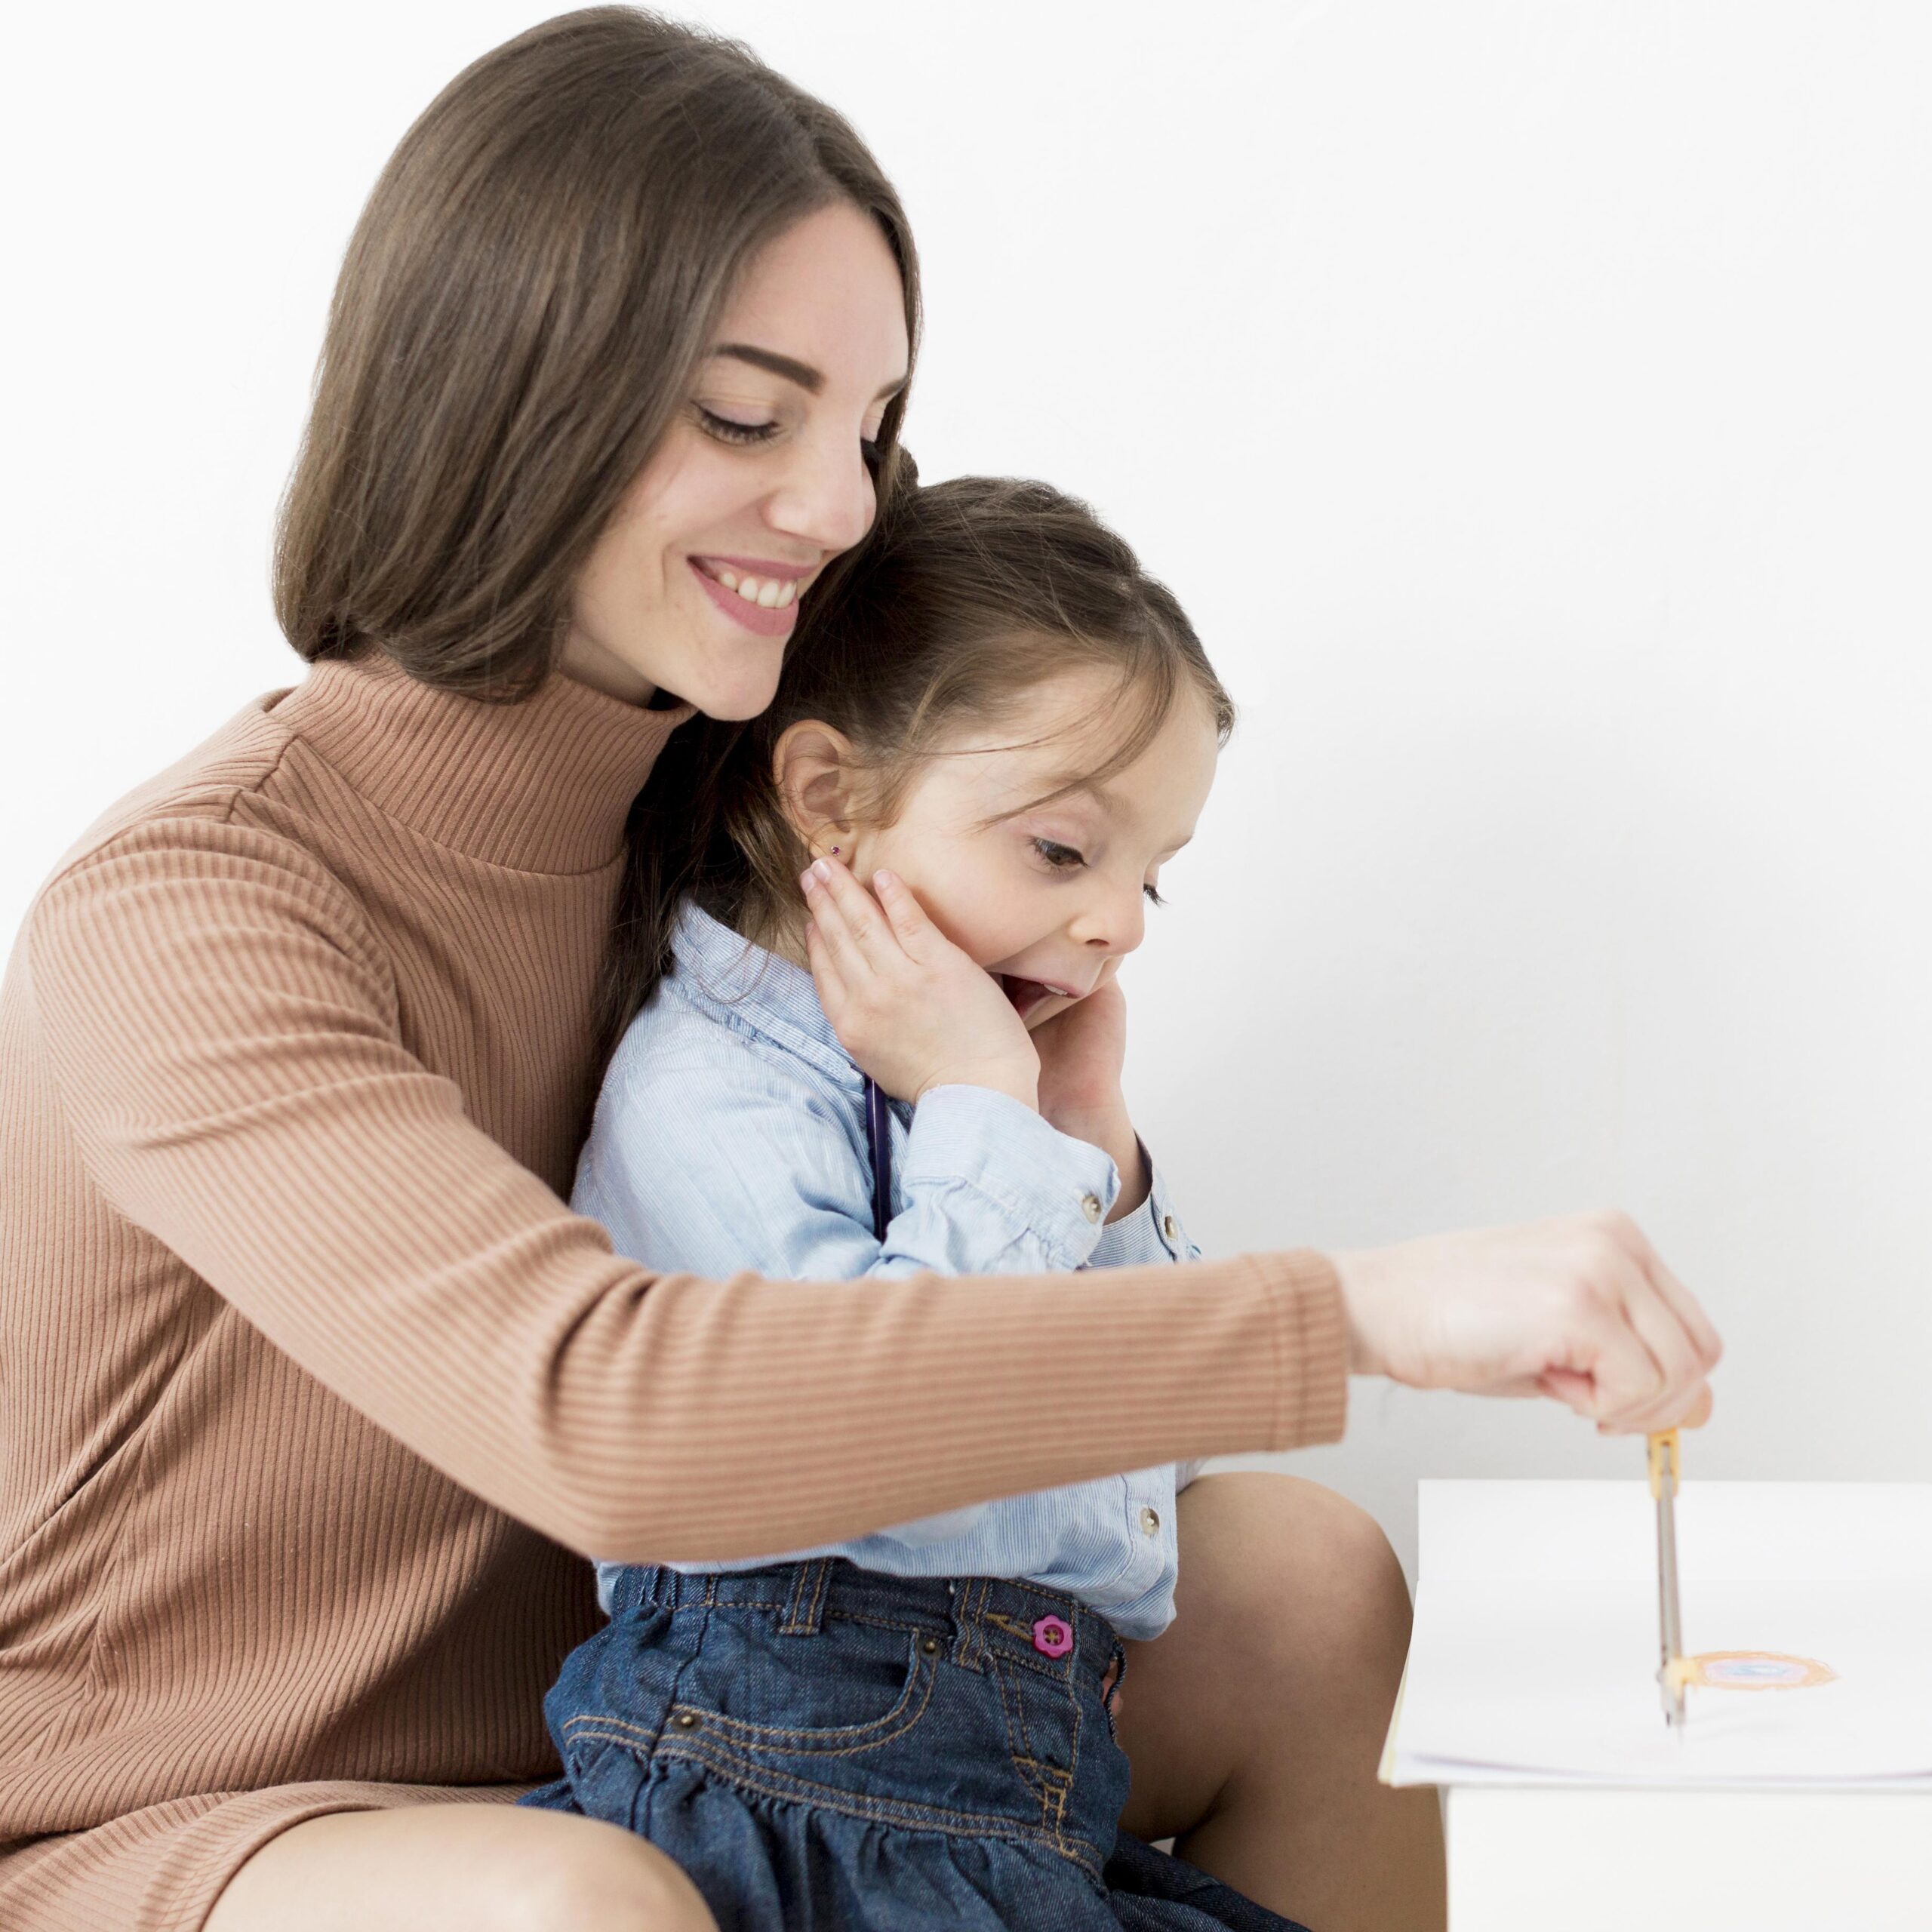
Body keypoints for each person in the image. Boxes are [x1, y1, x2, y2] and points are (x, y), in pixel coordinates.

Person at [0, 12, 1719, 1932]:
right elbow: (609, 1410)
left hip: (688, 1710)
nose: (836, 508)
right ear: (506, 401)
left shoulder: (747, 819)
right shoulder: (188, 912)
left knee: (1300, 1587)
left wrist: (1073, 1138)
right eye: (749, 417)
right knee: (567, 1909)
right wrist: (1354, 1311)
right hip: (187, 1819)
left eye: (866, 427)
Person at [526, 469, 1363, 1930]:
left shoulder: (987, 1107)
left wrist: (1091, 1157)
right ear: (829, 800)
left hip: (1009, 1767)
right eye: (1062, 851)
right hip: (795, 1780)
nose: (1116, 922)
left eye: (1153, 880)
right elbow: (897, 1456)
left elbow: (1151, 1467)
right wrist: (988, 1110)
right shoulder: (707, 1091)